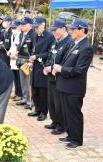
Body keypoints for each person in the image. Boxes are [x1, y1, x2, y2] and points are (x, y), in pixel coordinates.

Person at [53, 18, 94, 149]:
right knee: (66, 112)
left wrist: (61, 69)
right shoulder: (74, 43)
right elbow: (66, 61)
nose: (71, 31)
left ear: (82, 30)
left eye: (74, 29)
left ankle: (77, 139)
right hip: (65, 84)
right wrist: (58, 68)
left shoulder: (86, 47)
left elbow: (79, 70)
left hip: (74, 87)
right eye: (70, 29)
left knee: (74, 114)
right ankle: (71, 135)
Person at [43, 19, 72, 134]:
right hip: (50, 75)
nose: (54, 32)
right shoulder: (56, 41)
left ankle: (61, 125)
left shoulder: (68, 42)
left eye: (56, 30)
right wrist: (46, 66)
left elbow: (66, 61)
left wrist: (54, 68)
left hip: (59, 76)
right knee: (51, 101)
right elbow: (50, 55)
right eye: (53, 30)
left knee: (58, 102)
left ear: (63, 29)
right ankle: (54, 121)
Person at [28, 16, 54, 121]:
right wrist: (31, 59)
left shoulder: (50, 37)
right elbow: (34, 49)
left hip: (43, 66)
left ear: (42, 26)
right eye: (34, 27)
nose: (35, 29)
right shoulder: (34, 35)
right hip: (35, 66)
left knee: (43, 90)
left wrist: (37, 56)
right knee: (35, 89)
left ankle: (43, 112)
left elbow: (50, 53)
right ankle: (37, 109)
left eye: (37, 27)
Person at [16, 17, 36, 106]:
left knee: (28, 81)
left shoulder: (33, 34)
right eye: (21, 24)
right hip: (21, 59)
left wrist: (31, 60)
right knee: (22, 80)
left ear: (29, 25)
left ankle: (29, 100)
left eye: (24, 24)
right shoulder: (21, 34)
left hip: (28, 59)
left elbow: (34, 48)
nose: (22, 26)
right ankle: (24, 98)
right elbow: (20, 45)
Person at [8, 19, 23, 101]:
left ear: (19, 27)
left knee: (19, 78)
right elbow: (12, 46)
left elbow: (19, 48)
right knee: (15, 78)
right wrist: (9, 52)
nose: (13, 30)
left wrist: (15, 55)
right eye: (12, 28)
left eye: (15, 28)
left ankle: (20, 94)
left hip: (17, 59)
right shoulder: (13, 35)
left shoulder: (21, 35)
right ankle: (16, 92)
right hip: (12, 59)